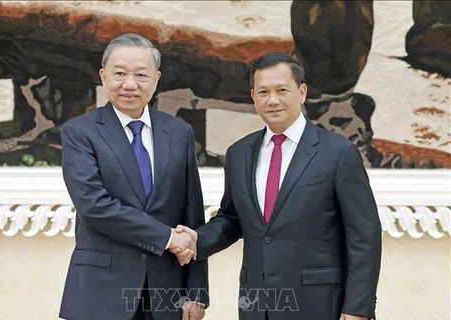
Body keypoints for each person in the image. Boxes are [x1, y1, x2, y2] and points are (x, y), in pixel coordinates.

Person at [174, 52, 381, 320]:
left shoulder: (338, 152)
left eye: (282, 90)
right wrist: (197, 240)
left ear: (302, 92)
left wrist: (357, 310)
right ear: (253, 97)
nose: (272, 100)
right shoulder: (239, 154)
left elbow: (364, 235)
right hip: (257, 306)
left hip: (319, 305)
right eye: (263, 92)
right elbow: (232, 219)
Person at [59, 33, 208, 320]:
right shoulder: (80, 132)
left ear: (156, 79)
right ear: (103, 76)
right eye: (120, 73)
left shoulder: (179, 132)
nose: (130, 84)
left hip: (166, 293)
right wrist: (166, 238)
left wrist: (197, 293)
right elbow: (94, 207)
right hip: (101, 293)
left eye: (141, 74)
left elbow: (192, 214)